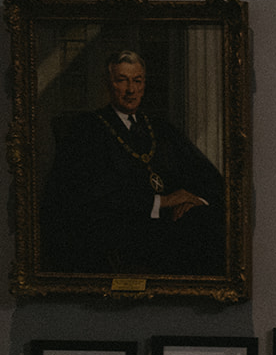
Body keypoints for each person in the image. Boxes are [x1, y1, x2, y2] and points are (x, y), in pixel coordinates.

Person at [42, 50, 226, 276]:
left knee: (208, 222)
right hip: (124, 233)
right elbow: (91, 195)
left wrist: (194, 199)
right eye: (122, 80)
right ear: (108, 84)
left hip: (173, 224)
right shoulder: (87, 129)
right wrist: (163, 201)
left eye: (137, 81)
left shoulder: (161, 128)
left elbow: (206, 175)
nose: (131, 90)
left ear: (144, 85)